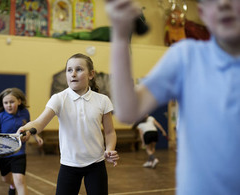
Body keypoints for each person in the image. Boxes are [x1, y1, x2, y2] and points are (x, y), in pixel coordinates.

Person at [106, 0, 240, 194]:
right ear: (201, 12)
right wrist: (119, 35)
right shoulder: (186, 58)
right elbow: (128, 111)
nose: (223, 4)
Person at [18, 53, 119, 195]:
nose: (73, 74)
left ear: (91, 74)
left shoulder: (103, 100)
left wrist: (109, 149)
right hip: (69, 165)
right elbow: (39, 123)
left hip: (96, 164)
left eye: (79, 69)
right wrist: (27, 129)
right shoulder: (59, 99)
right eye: (69, 70)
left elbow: (110, 132)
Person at [0, 88, 42, 195]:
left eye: (12, 102)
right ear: (2, 103)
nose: (9, 105)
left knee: (19, 179)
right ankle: (12, 185)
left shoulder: (24, 113)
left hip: (19, 152)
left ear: (19, 101)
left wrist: (36, 136)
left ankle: (15, 185)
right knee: (6, 179)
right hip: (3, 154)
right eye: (6, 103)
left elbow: (28, 126)